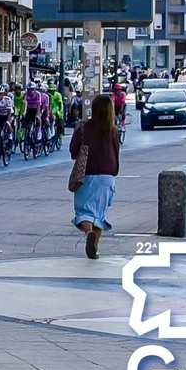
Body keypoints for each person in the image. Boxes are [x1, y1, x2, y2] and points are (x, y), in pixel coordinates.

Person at [69, 92, 122, 259]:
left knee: (84, 211)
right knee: (100, 214)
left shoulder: (83, 128)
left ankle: (88, 233)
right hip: (108, 176)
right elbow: (116, 151)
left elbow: (73, 151)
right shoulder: (114, 130)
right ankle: (95, 248)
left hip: (87, 174)